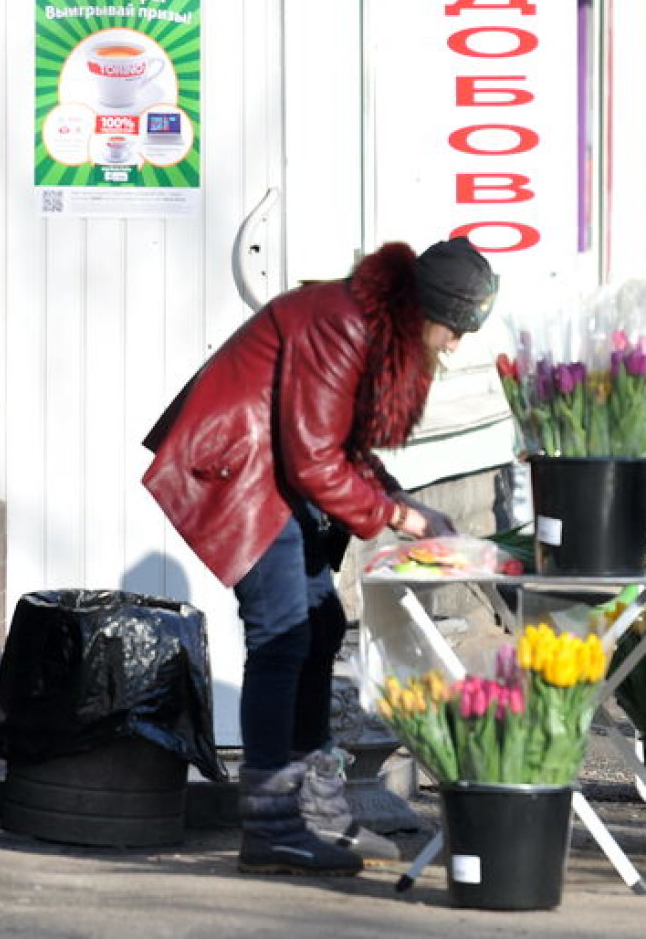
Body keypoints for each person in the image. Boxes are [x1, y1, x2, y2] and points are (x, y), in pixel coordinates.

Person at [142, 236, 497, 875]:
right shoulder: (342, 326)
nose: (455, 344)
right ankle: (272, 826)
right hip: (247, 470)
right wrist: (397, 515)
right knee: (282, 638)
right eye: (455, 328)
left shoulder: (367, 325)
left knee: (322, 625)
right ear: (427, 309)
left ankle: (318, 809)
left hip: (275, 470)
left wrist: (399, 497)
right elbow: (312, 458)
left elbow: (344, 442)